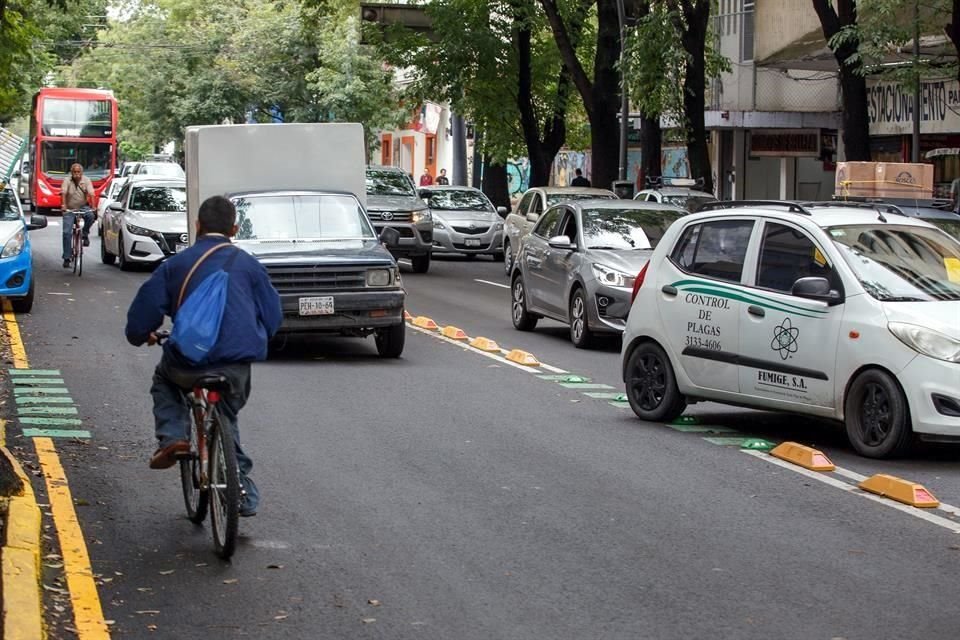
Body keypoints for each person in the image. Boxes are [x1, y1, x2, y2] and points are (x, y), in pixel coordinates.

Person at [125, 195, 283, 517]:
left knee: (164, 380)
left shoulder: (175, 265)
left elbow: (141, 319)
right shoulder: (250, 266)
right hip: (235, 368)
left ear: (197, 226)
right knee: (226, 416)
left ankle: (173, 437)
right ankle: (240, 491)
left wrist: (143, 336)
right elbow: (274, 316)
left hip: (188, 364)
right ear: (234, 229)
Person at [60, 163, 97, 267]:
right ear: (71, 173)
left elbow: (92, 193)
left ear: (82, 173)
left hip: (83, 206)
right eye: (74, 172)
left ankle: (85, 234)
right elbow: (63, 193)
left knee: (90, 216)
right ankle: (67, 257)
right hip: (70, 208)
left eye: (78, 172)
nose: (76, 174)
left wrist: (94, 207)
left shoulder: (86, 180)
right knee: (66, 233)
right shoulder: (67, 180)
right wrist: (63, 206)